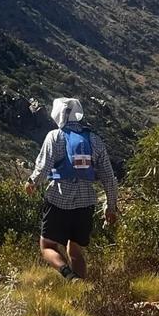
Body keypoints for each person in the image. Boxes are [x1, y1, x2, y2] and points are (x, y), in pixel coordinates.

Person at [25, 97, 118, 280]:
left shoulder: (55, 136)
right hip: (86, 203)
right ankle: (82, 292)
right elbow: (108, 176)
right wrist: (111, 206)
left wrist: (32, 182)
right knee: (75, 250)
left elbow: (43, 167)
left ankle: (69, 276)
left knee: (48, 246)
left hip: (58, 199)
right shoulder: (94, 139)